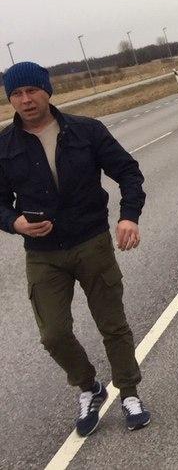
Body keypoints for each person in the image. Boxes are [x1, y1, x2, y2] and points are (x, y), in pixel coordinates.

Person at [1, 62, 152, 436]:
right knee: (52, 334)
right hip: (43, 253)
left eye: (32, 91)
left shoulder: (86, 131)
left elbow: (129, 172)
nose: (25, 100)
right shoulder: (4, 146)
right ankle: (89, 386)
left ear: (47, 91)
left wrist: (128, 216)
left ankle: (129, 392)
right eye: (16, 94)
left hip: (92, 243)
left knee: (112, 325)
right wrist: (14, 222)